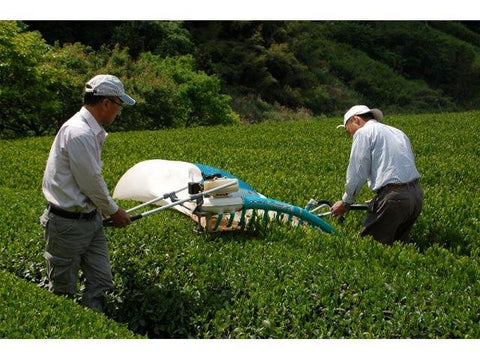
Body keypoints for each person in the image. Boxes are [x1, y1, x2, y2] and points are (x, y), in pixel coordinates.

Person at [40, 74, 135, 312]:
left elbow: (88, 182)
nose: (117, 112)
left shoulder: (90, 131)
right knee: (62, 290)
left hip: (90, 219)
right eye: (118, 105)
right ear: (105, 103)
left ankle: (93, 327)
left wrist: (100, 210)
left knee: (102, 280)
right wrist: (113, 211)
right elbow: (90, 181)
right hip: (67, 223)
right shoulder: (79, 132)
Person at [331, 105, 423, 245]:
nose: (350, 134)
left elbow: (357, 172)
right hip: (416, 196)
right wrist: (382, 196)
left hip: (396, 199)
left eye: (347, 129)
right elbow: (398, 167)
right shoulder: (397, 132)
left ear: (355, 119)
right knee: (400, 247)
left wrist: (346, 202)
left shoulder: (363, 133)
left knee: (370, 248)